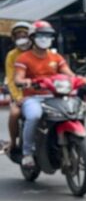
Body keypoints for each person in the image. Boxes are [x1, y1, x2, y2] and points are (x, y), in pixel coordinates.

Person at [13, 21, 74, 167]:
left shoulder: (56, 57)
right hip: (32, 97)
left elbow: (69, 74)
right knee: (33, 116)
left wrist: (80, 79)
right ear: (33, 37)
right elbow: (17, 78)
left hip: (55, 96)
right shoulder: (24, 58)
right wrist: (25, 81)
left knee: (73, 112)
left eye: (48, 35)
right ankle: (27, 153)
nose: (44, 38)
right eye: (41, 35)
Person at [3, 21, 32, 156]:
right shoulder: (12, 55)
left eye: (24, 35)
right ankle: (14, 142)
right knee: (14, 114)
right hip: (20, 94)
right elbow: (10, 78)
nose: (22, 38)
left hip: (41, 92)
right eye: (19, 36)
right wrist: (18, 97)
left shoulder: (39, 51)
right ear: (14, 38)